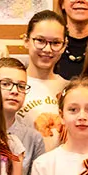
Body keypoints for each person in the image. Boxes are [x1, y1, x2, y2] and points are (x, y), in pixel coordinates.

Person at [17, 10, 70, 152]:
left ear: (64, 45)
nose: (47, 49)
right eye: (40, 41)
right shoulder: (12, 85)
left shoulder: (68, 88)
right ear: (26, 40)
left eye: (56, 43)